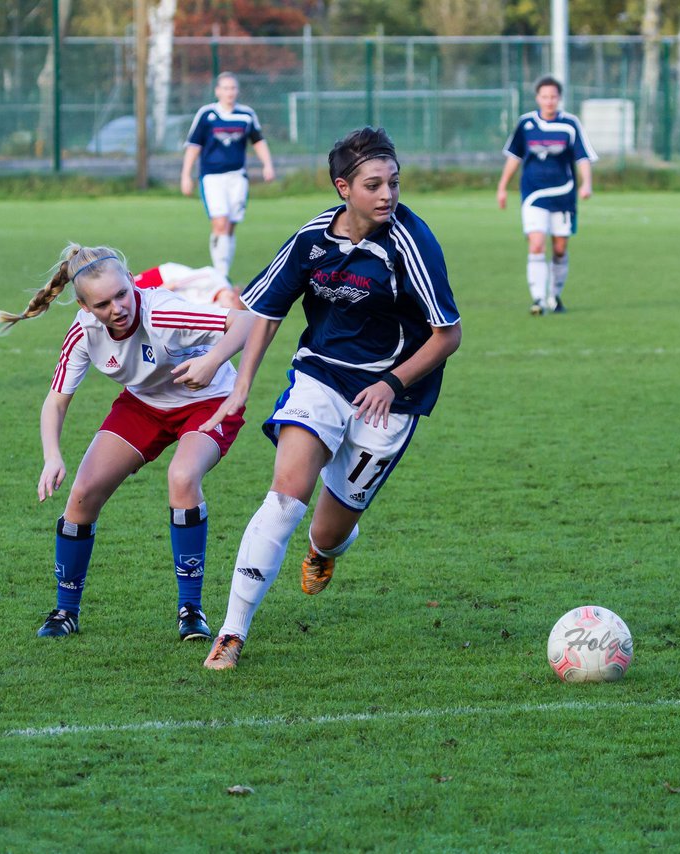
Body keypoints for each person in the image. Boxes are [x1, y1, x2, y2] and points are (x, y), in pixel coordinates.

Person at [196, 127, 462, 671]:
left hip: (390, 396)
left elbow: (448, 334)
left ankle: (324, 552)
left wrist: (391, 384)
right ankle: (232, 631)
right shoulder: (312, 239)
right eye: (373, 185)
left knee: (327, 530)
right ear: (344, 187)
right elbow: (265, 310)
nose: (388, 194)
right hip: (319, 377)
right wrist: (240, 383)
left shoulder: (411, 243)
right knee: (284, 499)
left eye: (393, 182)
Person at [0, 243, 254, 641]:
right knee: (82, 493)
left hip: (209, 399)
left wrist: (212, 360)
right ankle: (66, 611)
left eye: (121, 294)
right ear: (83, 307)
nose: (117, 308)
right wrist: (52, 456)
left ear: (133, 283)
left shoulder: (163, 312)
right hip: (144, 403)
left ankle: (191, 610)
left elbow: (247, 323)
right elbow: (56, 401)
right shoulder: (83, 333)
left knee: (182, 477)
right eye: (102, 304)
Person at [496, 75, 597, 316]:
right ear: (538, 98)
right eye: (545, 96)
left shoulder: (570, 124)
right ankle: (538, 299)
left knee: (560, 248)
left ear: (559, 98)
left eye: (553, 96)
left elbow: (582, 157)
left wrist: (587, 184)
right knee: (537, 243)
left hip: (564, 195)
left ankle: (554, 296)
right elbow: (514, 157)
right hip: (533, 194)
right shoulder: (526, 124)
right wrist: (502, 186)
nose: (549, 101)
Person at [180, 72, 276, 280]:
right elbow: (194, 145)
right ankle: (220, 275)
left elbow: (258, 141)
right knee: (220, 223)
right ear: (217, 91)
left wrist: (267, 164)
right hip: (212, 178)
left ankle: (222, 271)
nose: (229, 92)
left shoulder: (246, 115)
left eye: (232, 88)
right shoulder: (206, 115)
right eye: (225, 88)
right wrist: (186, 175)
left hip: (237, 178)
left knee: (230, 226)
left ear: (237, 91)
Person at [133, 262, 247, 309]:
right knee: (128, 291)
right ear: (234, 291)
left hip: (166, 300)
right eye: (231, 300)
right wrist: (158, 291)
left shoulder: (218, 307)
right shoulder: (214, 277)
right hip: (163, 278)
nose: (227, 306)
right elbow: (180, 281)